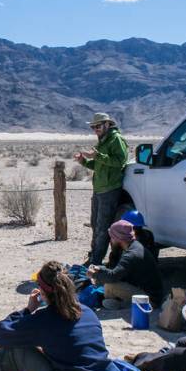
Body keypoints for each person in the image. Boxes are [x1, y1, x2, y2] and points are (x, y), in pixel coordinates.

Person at [0, 261, 119, 371]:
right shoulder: (87, 312)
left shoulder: (44, 320)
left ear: (42, 291)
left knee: (15, 350)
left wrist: (27, 310)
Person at [73, 112, 129, 265]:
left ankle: (95, 262)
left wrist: (97, 156)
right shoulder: (103, 141)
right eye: (93, 127)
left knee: (102, 227)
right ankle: (94, 257)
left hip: (110, 190)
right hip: (99, 190)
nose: (95, 129)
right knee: (95, 225)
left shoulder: (115, 139)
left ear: (107, 124)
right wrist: (84, 161)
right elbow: (99, 166)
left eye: (98, 126)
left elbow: (120, 161)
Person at [89, 220, 164, 310]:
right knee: (106, 283)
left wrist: (94, 274)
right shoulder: (134, 246)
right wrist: (100, 269)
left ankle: (123, 304)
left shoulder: (130, 255)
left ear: (118, 238)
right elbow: (118, 271)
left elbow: (113, 276)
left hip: (150, 300)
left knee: (109, 285)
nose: (111, 240)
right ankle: (119, 302)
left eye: (112, 237)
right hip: (152, 294)